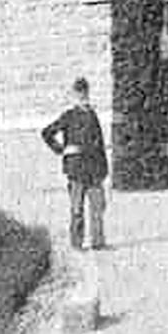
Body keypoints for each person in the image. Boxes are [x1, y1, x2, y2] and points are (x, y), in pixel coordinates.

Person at [41, 75, 109, 251]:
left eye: (85, 92)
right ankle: (77, 244)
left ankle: (98, 243)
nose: (82, 96)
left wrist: (104, 169)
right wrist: (62, 149)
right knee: (77, 209)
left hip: (94, 170)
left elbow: (99, 144)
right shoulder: (69, 116)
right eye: (79, 92)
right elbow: (47, 132)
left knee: (97, 208)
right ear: (73, 95)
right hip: (76, 169)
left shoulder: (93, 115)